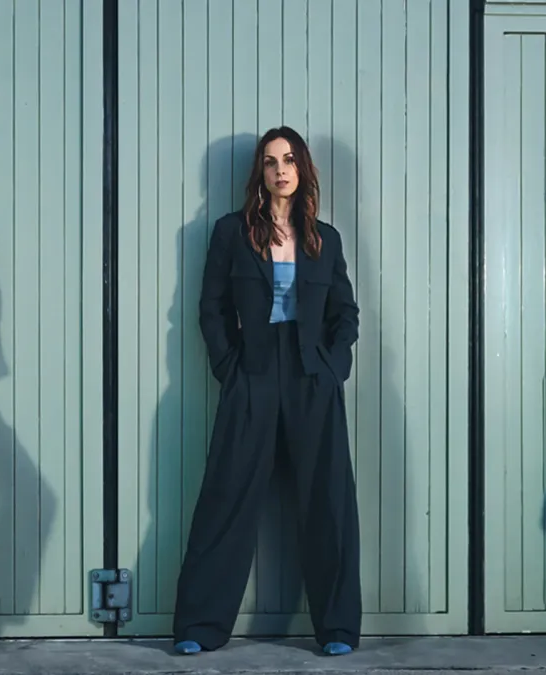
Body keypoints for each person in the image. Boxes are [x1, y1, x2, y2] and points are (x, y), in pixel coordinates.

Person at [171, 126, 363, 656]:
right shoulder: (231, 232)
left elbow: (345, 313)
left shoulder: (325, 238)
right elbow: (211, 308)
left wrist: (333, 367)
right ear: (260, 170)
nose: (281, 170)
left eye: (290, 160)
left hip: (311, 375)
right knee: (227, 497)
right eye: (272, 161)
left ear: (303, 170)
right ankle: (199, 627)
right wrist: (229, 366)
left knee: (328, 502)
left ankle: (338, 629)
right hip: (252, 372)